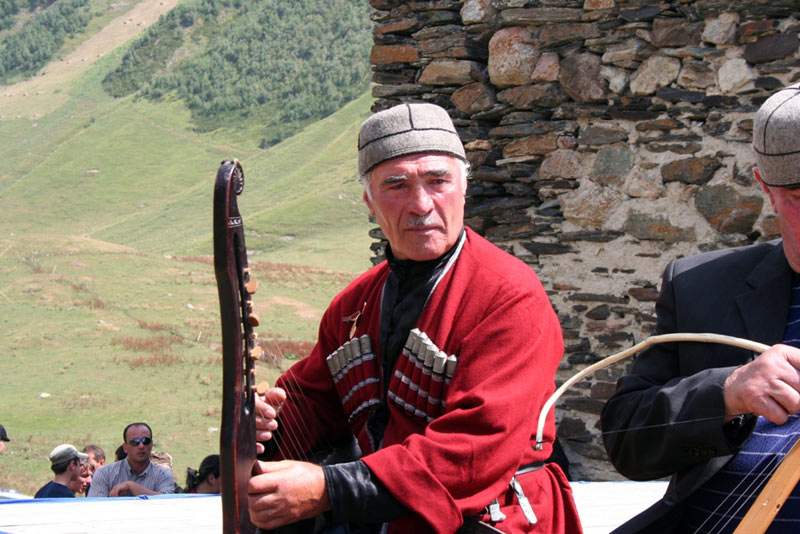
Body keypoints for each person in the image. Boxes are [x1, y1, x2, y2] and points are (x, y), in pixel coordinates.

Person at [247, 103, 581, 533]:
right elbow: (314, 402)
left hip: (493, 522)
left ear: (464, 188)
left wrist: (331, 489)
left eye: (437, 181)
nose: (420, 204)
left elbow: (473, 449)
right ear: (369, 201)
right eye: (396, 185)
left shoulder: (509, 297)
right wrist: (264, 422)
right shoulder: (353, 306)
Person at [601, 82, 800, 533]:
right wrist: (727, 393)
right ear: (765, 188)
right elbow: (625, 440)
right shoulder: (700, 286)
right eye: (799, 198)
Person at [87, 422, 175, 497]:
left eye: (145, 441)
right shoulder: (104, 474)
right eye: (135, 442)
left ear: (151, 444)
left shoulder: (163, 475)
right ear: (125, 448)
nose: (141, 446)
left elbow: (165, 503)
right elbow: (95, 508)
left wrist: (131, 486)